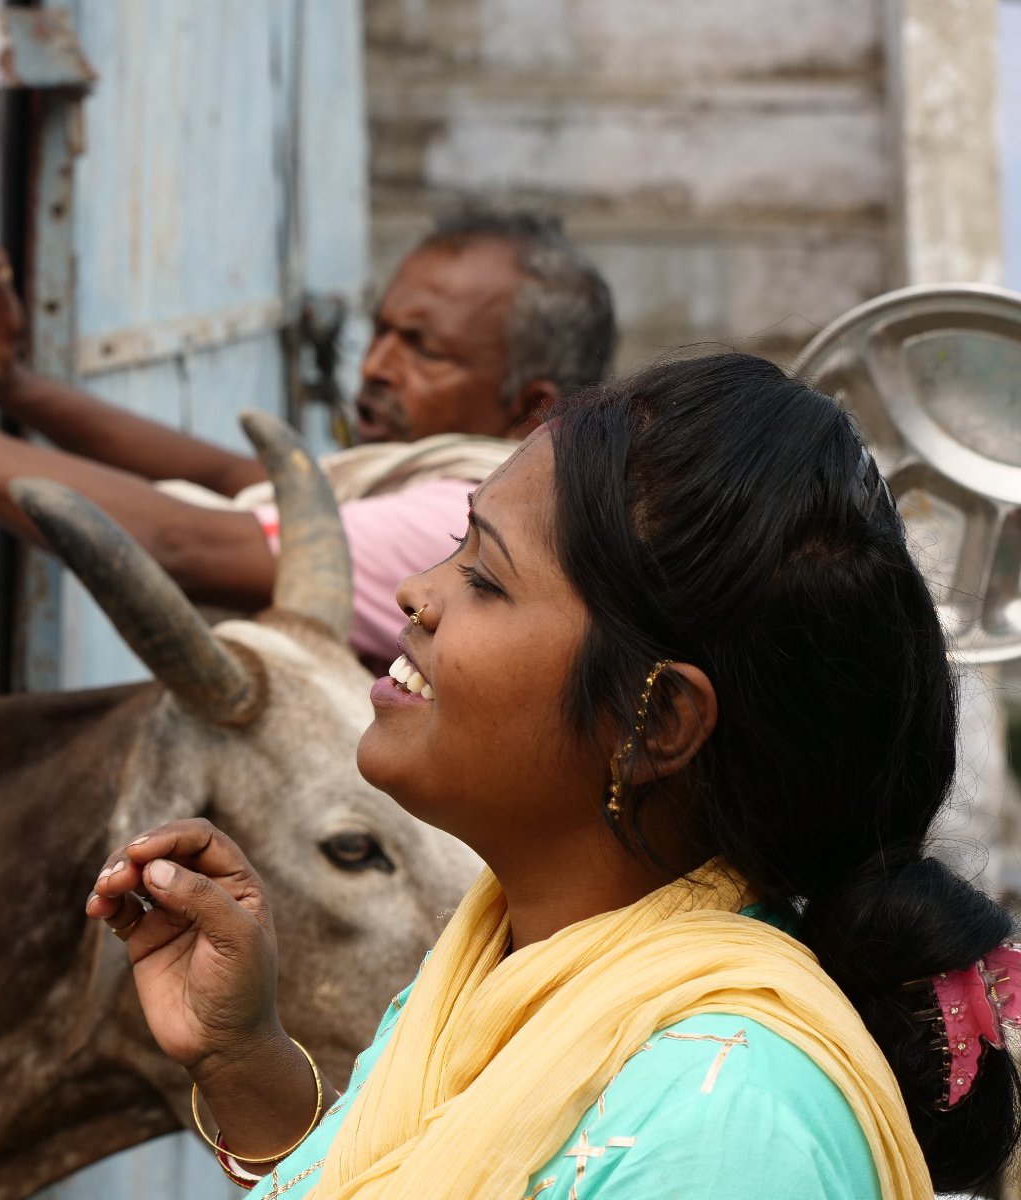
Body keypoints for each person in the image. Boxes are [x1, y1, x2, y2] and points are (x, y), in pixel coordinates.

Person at [85, 353, 1020, 1198]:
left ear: (656, 721)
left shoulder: (726, 1126)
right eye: (458, 546)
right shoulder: (501, 975)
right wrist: (243, 1059)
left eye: (485, 579)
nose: (419, 593)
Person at [0, 214, 614, 666]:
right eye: (379, 332)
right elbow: (234, 481)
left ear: (527, 405)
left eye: (421, 349)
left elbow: (192, 539)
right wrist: (13, 388)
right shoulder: (433, 477)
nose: (374, 367)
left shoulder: (459, 524)